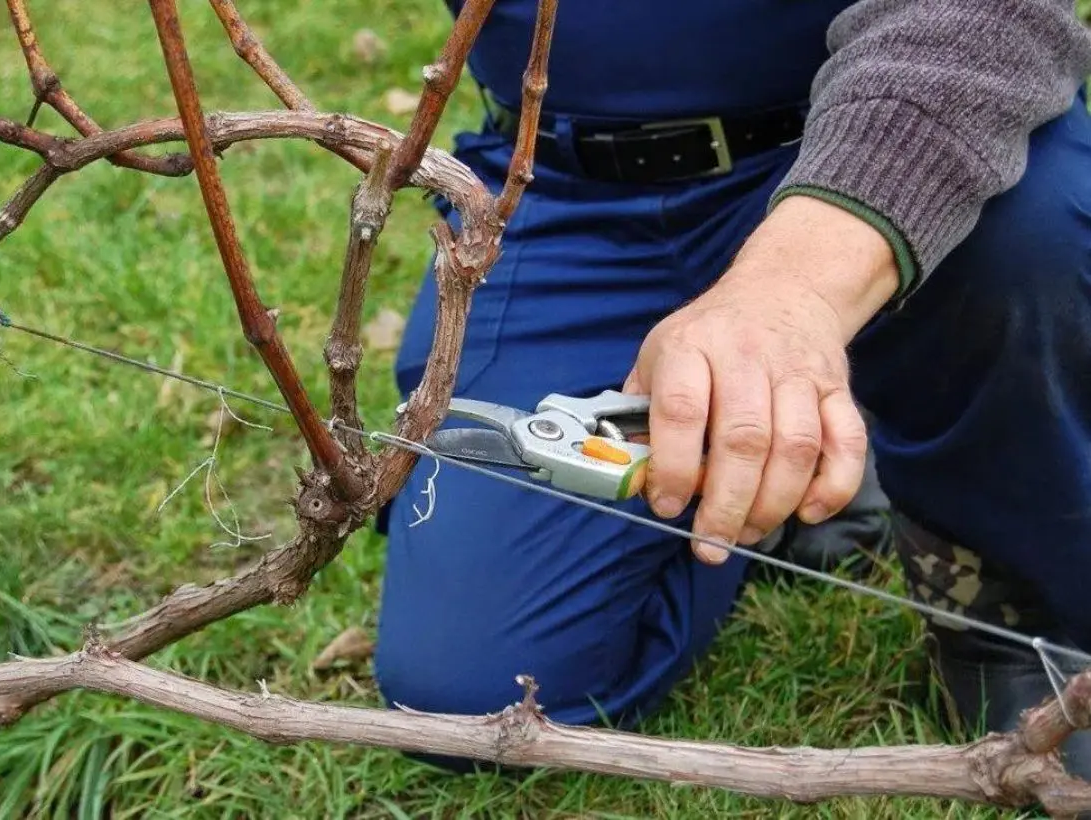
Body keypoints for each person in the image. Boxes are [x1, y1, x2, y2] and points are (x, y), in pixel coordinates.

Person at [373, 0, 1091, 775]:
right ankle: (783, 458)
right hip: (559, 194)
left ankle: (1005, 609)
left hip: (871, 138)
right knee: (473, 699)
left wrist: (794, 291)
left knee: (1027, 239)